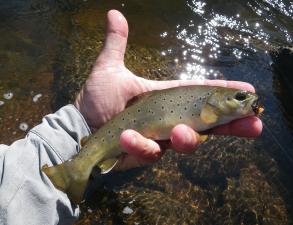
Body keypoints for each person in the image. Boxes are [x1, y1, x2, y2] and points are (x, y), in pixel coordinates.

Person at [0, 10, 262, 225]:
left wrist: (77, 123)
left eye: (242, 98)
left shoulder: (215, 110)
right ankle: (76, 170)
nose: (247, 101)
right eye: (240, 98)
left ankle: (75, 170)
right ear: (215, 99)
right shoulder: (210, 110)